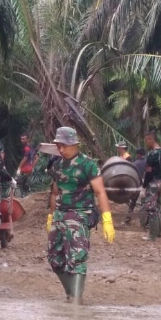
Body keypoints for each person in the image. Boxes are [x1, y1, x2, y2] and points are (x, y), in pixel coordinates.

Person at [46, 127, 115, 304]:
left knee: (77, 258)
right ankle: (70, 293)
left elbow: (100, 192)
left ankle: (76, 300)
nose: (61, 149)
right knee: (54, 258)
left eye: (64, 146)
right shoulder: (57, 165)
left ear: (75, 144)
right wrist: (50, 216)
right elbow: (54, 192)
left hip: (79, 215)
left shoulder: (88, 164)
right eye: (58, 146)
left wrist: (107, 219)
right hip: (60, 215)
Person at [141, 131, 161, 241]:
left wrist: (144, 185)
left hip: (152, 183)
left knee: (151, 209)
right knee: (156, 208)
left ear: (151, 139)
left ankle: (153, 235)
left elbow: (148, 171)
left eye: (147, 140)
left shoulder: (152, 154)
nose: (146, 143)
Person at [125, 148, 148, 224]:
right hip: (147, 184)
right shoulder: (148, 162)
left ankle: (128, 218)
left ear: (138, 154)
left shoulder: (134, 164)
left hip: (137, 184)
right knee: (145, 202)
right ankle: (145, 221)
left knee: (133, 202)